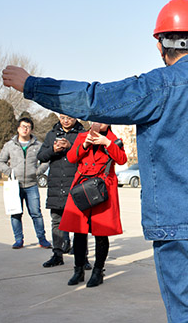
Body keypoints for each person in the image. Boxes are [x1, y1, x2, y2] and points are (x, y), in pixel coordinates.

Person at [3, 0, 188, 323]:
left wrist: (32, 85)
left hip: (182, 226)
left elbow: (94, 99)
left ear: (160, 45)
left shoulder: (160, 85)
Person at [61, 122, 127, 287]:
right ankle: (78, 270)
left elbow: (122, 160)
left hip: (103, 188)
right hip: (82, 186)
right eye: (95, 120)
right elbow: (71, 158)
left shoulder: (113, 139)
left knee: (101, 232)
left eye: (102, 120)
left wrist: (107, 143)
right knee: (79, 230)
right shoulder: (83, 136)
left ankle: (98, 271)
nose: (98, 123)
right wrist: (85, 145)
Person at [37, 114, 86, 268]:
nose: (66, 120)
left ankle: (82, 257)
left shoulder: (82, 134)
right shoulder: (51, 134)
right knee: (57, 221)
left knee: (79, 222)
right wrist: (53, 149)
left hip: (75, 183)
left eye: (69, 118)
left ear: (76, 118)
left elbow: (87, 155)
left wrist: (70, 147)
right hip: (56, 184)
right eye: (63, 117)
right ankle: (57, 254)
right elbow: (41, 156)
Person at [0, 117, 51, 249]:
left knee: (36, 213)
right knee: (16, 213)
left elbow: (45, 161)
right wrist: (10, 172)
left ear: (31, 129)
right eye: (22, 126)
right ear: (18, 128)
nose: (25, 129)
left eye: (28, 127)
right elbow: (1, 162)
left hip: (32, 185)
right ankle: (18, 239)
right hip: (15, 185)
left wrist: (37, 172)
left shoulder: (38, 145)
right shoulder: (10, 145)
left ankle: (42, 239)